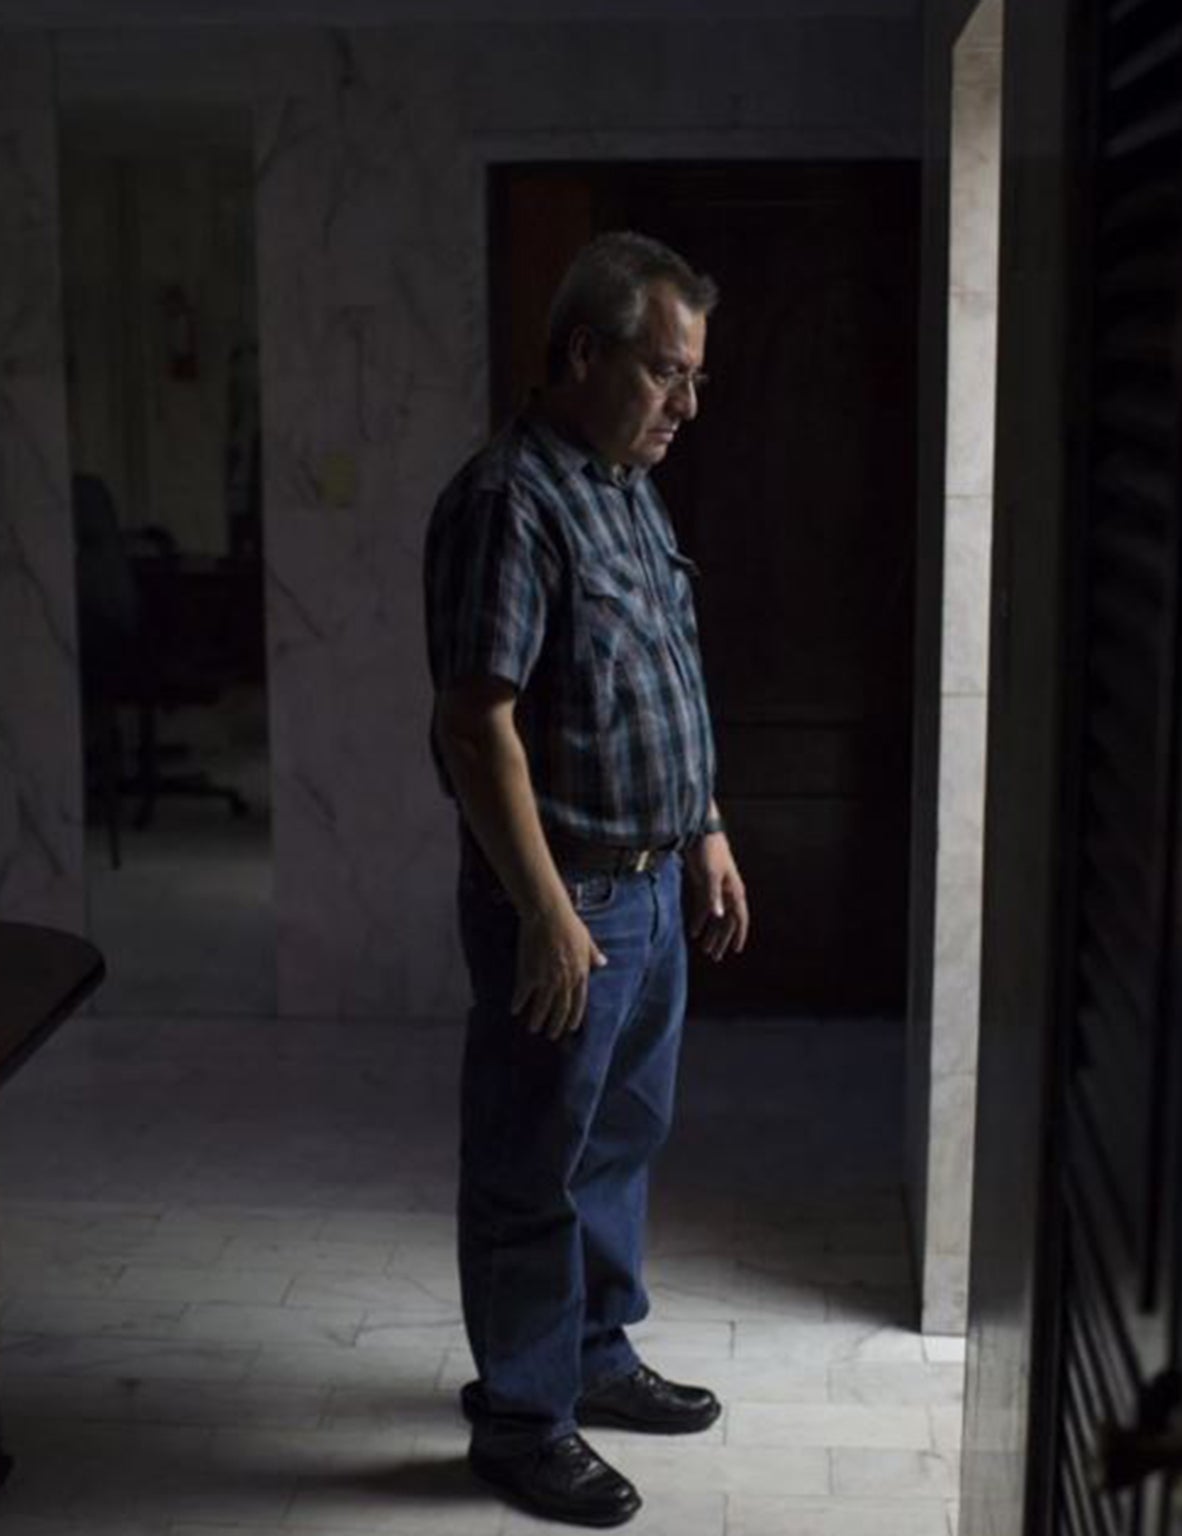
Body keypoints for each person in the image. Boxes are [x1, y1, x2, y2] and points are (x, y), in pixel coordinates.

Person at [423, 230, 751, 1528]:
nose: (685, 405)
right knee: (531, 1164)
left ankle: (593, 1357)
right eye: (666, 372)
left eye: (694, 380)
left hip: (656, 884)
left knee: (619, 1140)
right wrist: (545, 913)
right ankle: (520, 1417)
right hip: (573, 904)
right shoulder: (510, 502)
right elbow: (475, 725)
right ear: (580, 354)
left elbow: (662, 669)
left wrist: (707, 824)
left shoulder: (624, 485)